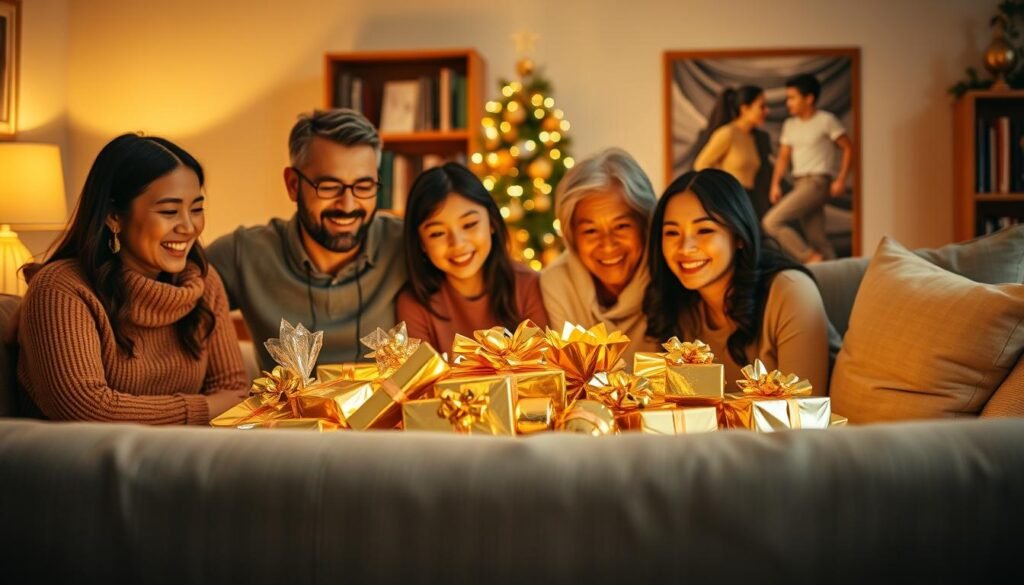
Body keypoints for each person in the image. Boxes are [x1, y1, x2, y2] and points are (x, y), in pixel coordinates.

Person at [16, 133, 249, 424]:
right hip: (83, 466)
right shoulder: (60, 289)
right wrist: (203, 408)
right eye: (169, 211)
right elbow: (84, 408)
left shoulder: (201, 281)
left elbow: (233, 393)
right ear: (114, 216)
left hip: (187, 460)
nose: (190, 227)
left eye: (197, 208)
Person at [207, 109, 406, 369]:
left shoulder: (405, 243)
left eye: (364, 186)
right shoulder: (241, 254)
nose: (347, 205)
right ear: (292, 184)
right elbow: (164, 292)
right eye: (329, 186)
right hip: (287, 411)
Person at [643, 168, 830, 394]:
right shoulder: (675, 308)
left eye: (704, 230)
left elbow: (805, 417)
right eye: (672, 233)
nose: (685, 248)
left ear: (739, 236)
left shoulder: (791, 292)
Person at [396, 163, 548, 354]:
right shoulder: (414, 303)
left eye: (469, 224)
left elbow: (541, 373)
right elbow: (422, 381)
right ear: (421, 243)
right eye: (437, 233)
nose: (457, 243)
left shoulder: (528, 286)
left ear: (492, 222)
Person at [540, 148, 659, 362]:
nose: (607, 244)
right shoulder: (558, 283)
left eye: (621, 226)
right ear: (572, 237)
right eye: (590, 231)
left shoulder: (670, 275)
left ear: (644, 224)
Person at [765, 73, 854, 263]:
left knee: (771, 222)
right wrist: (775, 184)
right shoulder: (790, 125)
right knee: (817, 239)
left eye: (792, 98)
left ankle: (809, 258)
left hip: (817, 183)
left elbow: (848, 148)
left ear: (809, 98)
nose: (788, 103)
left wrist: (840, 179)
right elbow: (783, 157)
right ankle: (838, 275)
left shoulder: (826, 120)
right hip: (800, 183)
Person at [693, 85, 773, 218]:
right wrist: (722, 191)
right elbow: (700, 164)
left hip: (749, 200)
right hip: (731, 201)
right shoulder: (727, 133)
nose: (767, 111)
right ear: (745, 108)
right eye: (762, 106)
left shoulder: (754, 138)